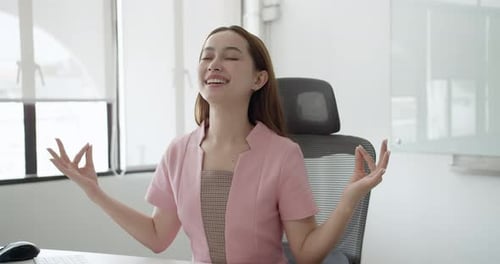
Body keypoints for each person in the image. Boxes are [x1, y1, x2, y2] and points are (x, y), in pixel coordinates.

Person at [47, 25, 390, 264]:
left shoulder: (283, 154)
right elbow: (157, 236)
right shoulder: (178, 151)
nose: (214, 63)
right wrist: (95, 193)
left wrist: (347, 201)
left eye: (230, 56)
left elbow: (306, 253)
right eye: (206, 56)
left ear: (258, 78)